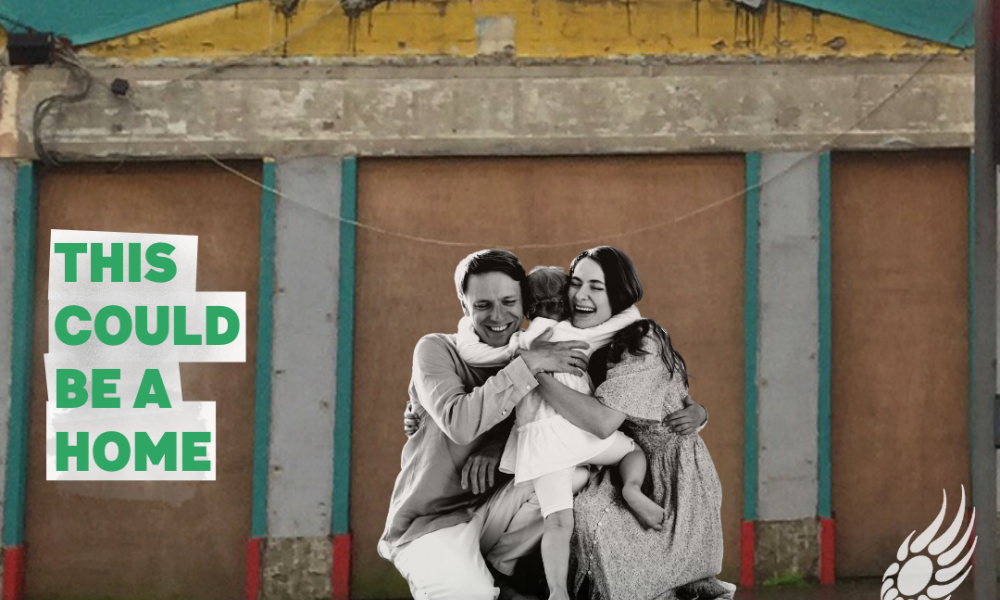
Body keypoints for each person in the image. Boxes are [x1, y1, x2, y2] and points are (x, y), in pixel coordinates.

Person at [379, 249, 594, 600]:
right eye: (482, 305)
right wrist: (530, 365)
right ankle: (487, 583)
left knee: (576, 475)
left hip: (494, 511)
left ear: (525, 304)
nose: (498, 316)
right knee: (469, 594)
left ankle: (496, 572)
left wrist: (499, 445)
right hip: (431, 522)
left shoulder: (536, 349)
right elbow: (460, 423)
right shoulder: (436, 349)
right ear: (464, 306)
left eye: (509, 302)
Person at [535, 246, 736, 600]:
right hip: (623, 459)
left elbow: (602, 421)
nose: (581, 295)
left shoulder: (641, 338)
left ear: (619, 295)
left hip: (673, 476)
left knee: (601, 531)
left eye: (597, 287)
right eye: (576, 283)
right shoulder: (575, 336)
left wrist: (532, 371)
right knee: (579, 515)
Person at [455, 266, 660, 600]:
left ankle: (557, 592)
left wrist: (466, 322)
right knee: (631, 451)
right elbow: (631, 315)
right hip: (581, 433)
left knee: (557, 524)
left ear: (527, 308)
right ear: (565, 301)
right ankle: (633, 489)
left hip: (543, 443)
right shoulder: (577, 335)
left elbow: (471, 351)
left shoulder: (520, 343)